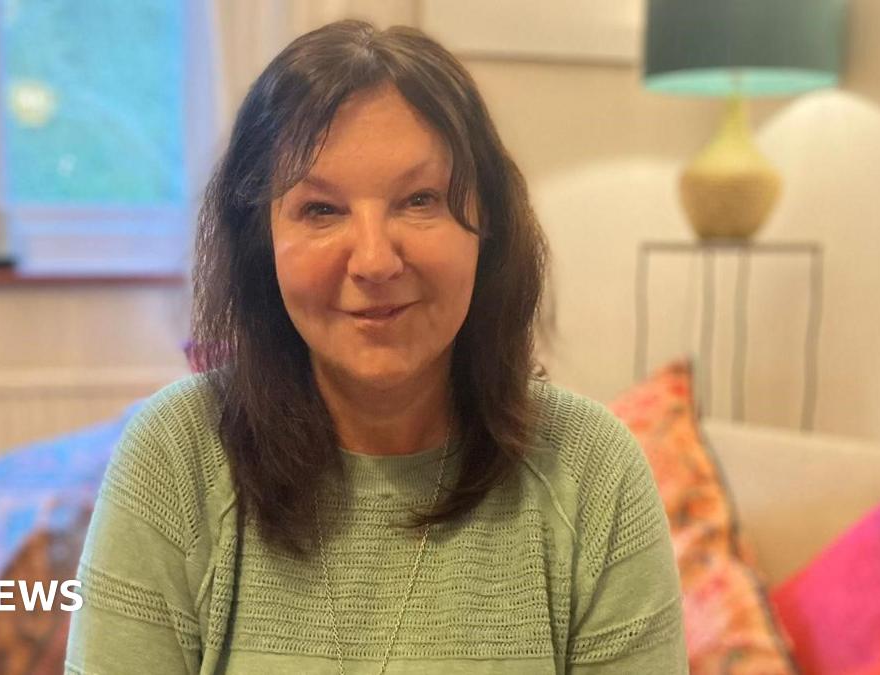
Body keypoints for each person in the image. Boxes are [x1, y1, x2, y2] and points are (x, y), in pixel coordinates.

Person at [65, 19, 686, 674]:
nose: (374, 259)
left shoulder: (593, 474)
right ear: (261, 240)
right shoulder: (175, 457)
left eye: (419, 199)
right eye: (321, 209)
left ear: (488, 227)